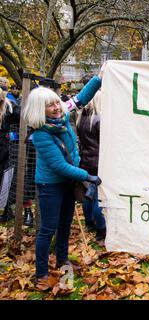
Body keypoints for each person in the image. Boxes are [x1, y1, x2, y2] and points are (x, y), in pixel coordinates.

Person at [23, 68, 104, 288]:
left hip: (68, 183)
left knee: (66, 224)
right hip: (50, 185)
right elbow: (60, 166)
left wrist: (99, 77)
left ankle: (62, 260)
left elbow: (81, 98)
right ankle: (40, 274)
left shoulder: (62, 117)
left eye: (57, 102)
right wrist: (88, 176)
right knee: (48, 228)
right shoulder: (40, 134)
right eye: (50, 105)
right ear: (40, 110)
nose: (56, 107)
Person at [76, 91, 106, 242]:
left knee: (89, 193)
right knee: (99, 197)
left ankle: (89, 222)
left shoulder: (82, 118)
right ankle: (101, 229)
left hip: (86, 161)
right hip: (99, 161)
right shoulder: (99, 119)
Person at [0, 88, 20, 222]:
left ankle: (6, 210)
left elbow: (21, 121)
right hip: (4, 146)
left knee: (5, 180)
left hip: (6, 150)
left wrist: (12, 136)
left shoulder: (10, 108)